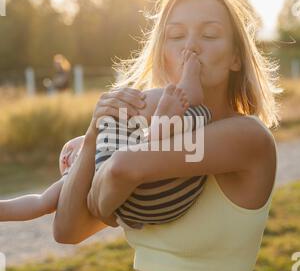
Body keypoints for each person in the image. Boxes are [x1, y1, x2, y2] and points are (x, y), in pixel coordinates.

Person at [53, 0, 281, 271]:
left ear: (236, 57)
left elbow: (123, 169)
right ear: (163, 53)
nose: (191, 46)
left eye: (210, 35)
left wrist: (103, 184)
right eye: (176, 36)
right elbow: (68, 229)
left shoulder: (247, 139)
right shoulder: (152, 136)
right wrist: (92, 135)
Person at [0, 53, 211, 225]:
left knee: (155, 133)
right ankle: (182, 97)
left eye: (68, 150)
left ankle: (166, 121)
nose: (67, 159)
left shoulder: (108, 142)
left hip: (153, 207)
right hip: (141, 194)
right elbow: (39, 203)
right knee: (134, 116)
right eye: (67, 165)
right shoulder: (78, 174)